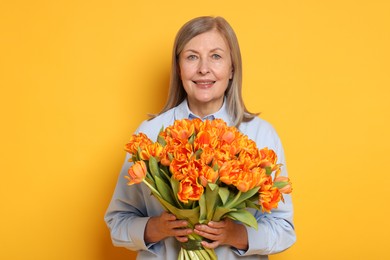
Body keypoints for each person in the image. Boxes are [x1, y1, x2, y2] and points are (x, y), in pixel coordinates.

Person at [104, 16, 296, 259]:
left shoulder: (260, 135)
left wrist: (235, 234)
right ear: (179, 68)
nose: (203, 68)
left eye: (216, 56)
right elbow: (117, 222)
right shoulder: (150, 134)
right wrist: (155, 228)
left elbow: (284, 230)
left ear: (232, 68)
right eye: (192, 57)